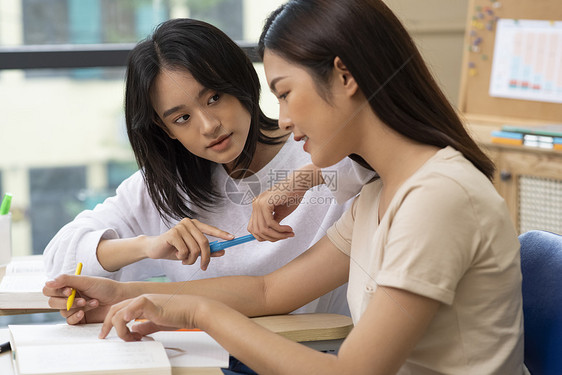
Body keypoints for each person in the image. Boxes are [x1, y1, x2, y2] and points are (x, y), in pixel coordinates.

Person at [44, 1, 526, 374]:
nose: (285, 119)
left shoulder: (435, 198)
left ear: (344, 76)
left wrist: (198, 311)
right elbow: (269, 290)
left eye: (284, 93)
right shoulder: (380, 197)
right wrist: (128, 294)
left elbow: (353, 371)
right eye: (182, 118)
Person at [42, 17, 373, 316]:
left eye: (214, 97)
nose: (209, 125)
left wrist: (303, 179)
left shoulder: (319, 148)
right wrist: (147, 245)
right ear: (165, 129)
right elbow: (61, 258)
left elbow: (378, 156)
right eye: (182, 118)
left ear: (241, 81)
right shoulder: (165, 186)